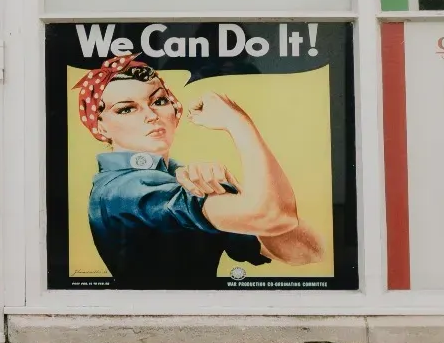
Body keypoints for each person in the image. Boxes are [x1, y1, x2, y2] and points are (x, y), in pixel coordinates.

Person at [71, 53, 323, 287]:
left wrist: (233, 191)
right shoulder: (125, 189)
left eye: (158, 101)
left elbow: (305, 252)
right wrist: (238, 122)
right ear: (101, 127)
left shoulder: (177, 177)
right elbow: (273, 216)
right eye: (126, 109)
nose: (151, 115)